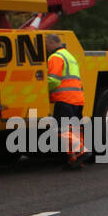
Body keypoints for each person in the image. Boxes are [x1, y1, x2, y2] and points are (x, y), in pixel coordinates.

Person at [45, 33, 85, 169]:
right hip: (77, 98)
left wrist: (40, 87)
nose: (45, 49)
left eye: (46, 45)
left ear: (51, 42)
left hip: (64, 98)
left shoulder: (55, 57)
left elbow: (54, 80)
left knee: (62, 130)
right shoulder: (69, 56)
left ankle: (80, 151)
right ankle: (74, 160)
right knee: (74, 129)